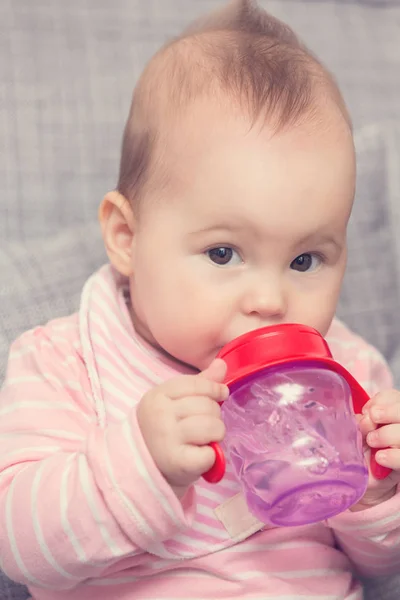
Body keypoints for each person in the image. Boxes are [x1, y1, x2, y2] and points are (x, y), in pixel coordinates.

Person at [1, 1, 400, 598]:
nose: (269, 299)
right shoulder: (66, 360)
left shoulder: (348, 373)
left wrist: (377, 496)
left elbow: (378, 570)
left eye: (304, 260)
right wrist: (139, 464)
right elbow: (18, 549)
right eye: (222, 254)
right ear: (127, 238)